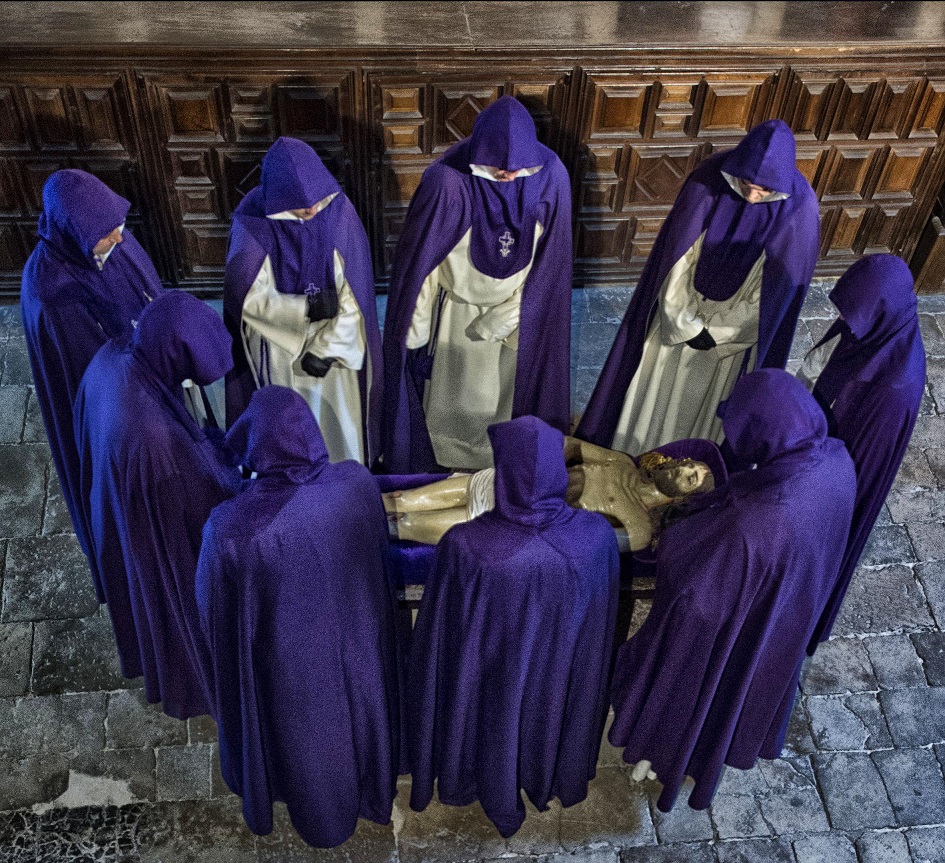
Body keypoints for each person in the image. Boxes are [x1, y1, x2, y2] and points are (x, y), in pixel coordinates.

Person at [608, 369, 856, 812]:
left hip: (732, 614)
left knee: (697, 683)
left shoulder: (756, 521)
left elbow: (698, 603)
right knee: (744, 677)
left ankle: (663, 750)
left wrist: (677, 545)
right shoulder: (835, 457)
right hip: (792, 600)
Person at [195, 386, 401, 848]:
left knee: (310, 749)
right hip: (359, 637)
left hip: (292, 667)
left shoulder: (231, 528)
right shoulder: (356, 482)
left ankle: (325, 823)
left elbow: (213, 609)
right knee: (361, 721)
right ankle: (371, 790)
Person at [406, 415, 620, 837]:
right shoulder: (597, 536)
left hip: (490, 677)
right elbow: (599, 628)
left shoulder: (466, 545)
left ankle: (478, 771)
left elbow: (441, 635)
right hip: (558, 672)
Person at [576, 119, 820, 455]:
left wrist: (718, 333)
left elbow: (773, 298)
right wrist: (684, 321)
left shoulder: (799, 210)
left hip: (728, 340)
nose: (751, 196)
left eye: (763, 191)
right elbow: (677, 257)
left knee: (699, 409)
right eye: (746, 184)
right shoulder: (711, 177)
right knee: (651, 398)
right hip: (676, 319)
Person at [381, 95, 573, 474]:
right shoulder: (447, 182)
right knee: (455, 393)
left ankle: (498, 455)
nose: (508, 176)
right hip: (456, 312)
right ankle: (446, 455)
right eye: (499, 168)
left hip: (516, 313)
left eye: (518, 170)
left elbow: (551, 264)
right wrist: (415, 329)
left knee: (504, 394)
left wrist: (512, 315)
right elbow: (422, 264)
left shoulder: (551, 176)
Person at [73, 291, 241, 719]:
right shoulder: (154, 438)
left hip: (114, 499)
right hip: (152, 528)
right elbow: (191, 510)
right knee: (173, 601)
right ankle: (189, 681)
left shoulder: (113, 353)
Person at [20, 169, 166, 601]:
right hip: (121, 405)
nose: (120, 238)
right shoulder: (50, 294)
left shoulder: (110, 236)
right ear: (76, 235)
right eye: (108, 235)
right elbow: (90, 373)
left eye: (119, 226)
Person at [224, 136, 382, 466]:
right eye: (299, 205)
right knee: (293, 423)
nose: (311, 210)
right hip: (283, 348)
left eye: (316, 201)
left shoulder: (338, 210)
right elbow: (248, 300)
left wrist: (327, 348)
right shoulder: (252, 221)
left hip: (336, 350)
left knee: (340, 426)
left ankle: (344, 470)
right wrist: (305, 309)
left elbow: (356, 295)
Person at [797, 254, 926, 650]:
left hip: (829, 478)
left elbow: (857, 469)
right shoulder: (873, 328)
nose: (842, 319)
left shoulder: (894, 387)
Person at [384, 434, 714, 552]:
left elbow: (580, 548)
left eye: (691, 479)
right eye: (689, 465)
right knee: (400, 499)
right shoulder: (621, 463)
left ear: (681, 500)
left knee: (404, 524)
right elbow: (568, 444)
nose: (683, 469)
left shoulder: (638, 529)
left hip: (508, 520)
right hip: (505, 482)